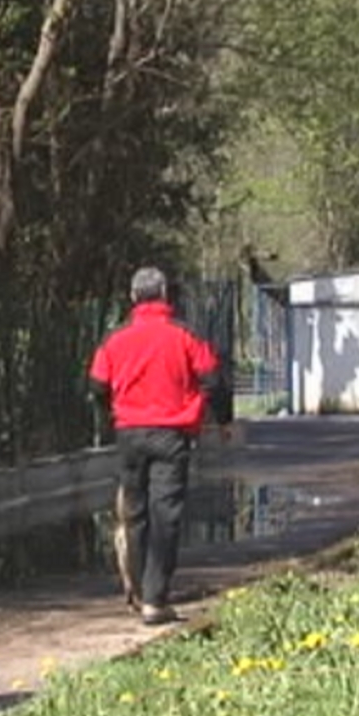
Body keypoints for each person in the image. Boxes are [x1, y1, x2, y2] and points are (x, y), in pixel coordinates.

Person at [88, 266, 232, 626]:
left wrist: (113, 414)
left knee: (134, 513)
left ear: (133, 297)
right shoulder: (184, 335)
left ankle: (138, 591)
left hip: (130, 434)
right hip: (172, 434)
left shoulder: (114, 339)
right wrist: (223, 420)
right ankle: (155, 597)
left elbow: (97, 385)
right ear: (166, 294)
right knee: (165, 513)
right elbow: (212, 378)